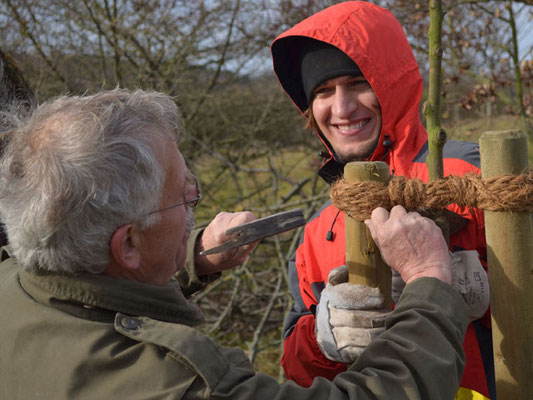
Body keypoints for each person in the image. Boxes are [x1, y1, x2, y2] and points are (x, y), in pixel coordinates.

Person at [0, 89, 478, 399]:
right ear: (127, 245)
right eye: (186, 198)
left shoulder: (15, 279)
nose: (197, 207)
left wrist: (192, 259)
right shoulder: (178, 384)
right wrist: (429, 282)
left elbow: (99, 286)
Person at [270, 2, 493, 399]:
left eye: (357, 83)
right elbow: (295, 372)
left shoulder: (468, 176)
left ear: (392, 82)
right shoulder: (319, 231)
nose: (341, 108)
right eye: (323, 91)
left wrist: (489, 289)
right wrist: (323, 340)